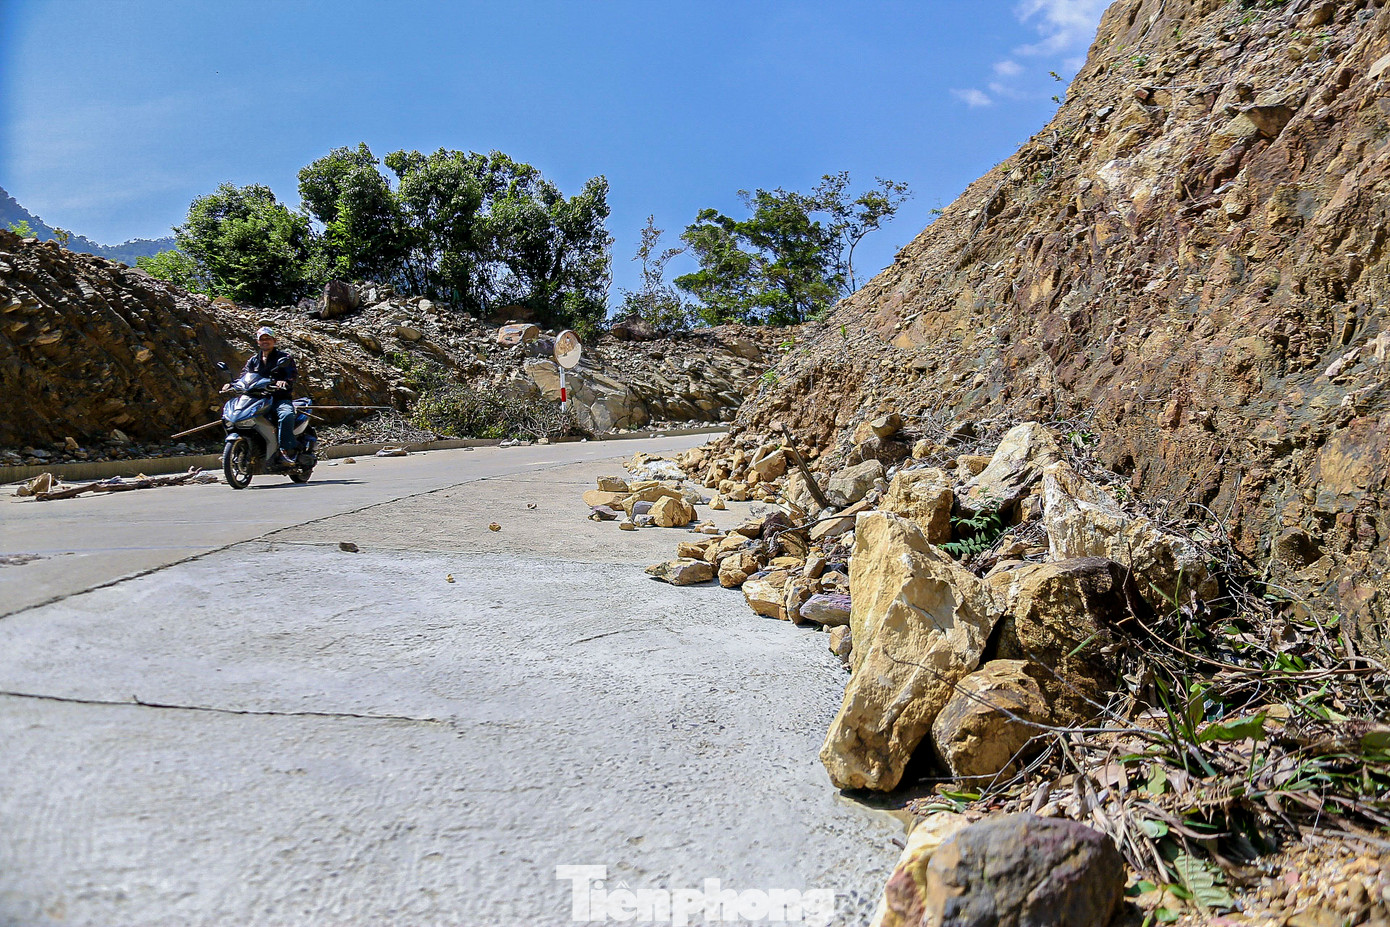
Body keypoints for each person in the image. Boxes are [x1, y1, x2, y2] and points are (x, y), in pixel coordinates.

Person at [226, 326, 299, 467]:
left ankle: (285, 451)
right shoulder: (254, 360)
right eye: (262, 339)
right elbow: (244, 376)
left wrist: (284, 381)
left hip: (278, 397)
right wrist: (232, 384)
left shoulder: (284, 358)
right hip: (256, 398)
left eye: (268, 338)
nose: (265, 341)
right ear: (258, 342)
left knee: (286, 414)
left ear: (274, 340)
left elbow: (292, 375)